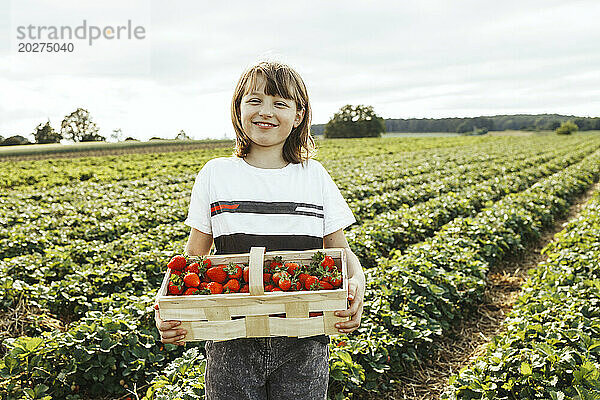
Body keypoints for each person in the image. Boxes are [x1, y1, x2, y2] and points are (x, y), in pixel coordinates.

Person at [155, 60, 366, 399]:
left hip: (305, 338)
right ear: (238, 109)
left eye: (280, 103)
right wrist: (173, 309)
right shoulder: (216, 174)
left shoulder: (314, 176)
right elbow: (193, 256)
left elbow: (340, 251)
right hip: (230, 339)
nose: (266, 111)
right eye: (255, 100)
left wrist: (358, 284)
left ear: (298, 115)